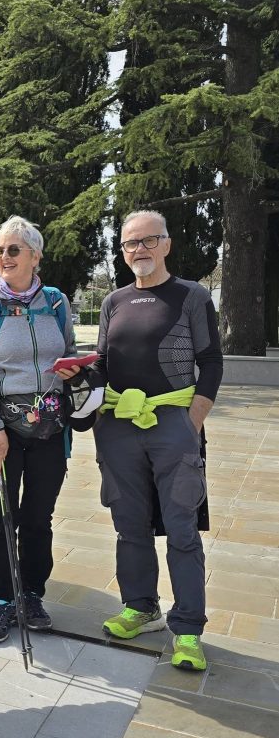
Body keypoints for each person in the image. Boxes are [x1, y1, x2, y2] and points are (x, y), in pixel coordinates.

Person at [93, 210, 222, 672]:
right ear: (123, 251)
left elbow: (211, 360)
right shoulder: (113, 302)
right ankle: (140, 607)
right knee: (129, 524)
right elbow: (104, 362)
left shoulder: (191, 296)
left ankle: (187, 629)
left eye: (149, 240)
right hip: (119, 427)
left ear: (167, 244)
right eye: (130, 243)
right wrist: (82, 378)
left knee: (182, 529)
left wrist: (192, 420)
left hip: (172, 423)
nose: (139, 249)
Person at [0, 216, 77, 643]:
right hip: (2, 430)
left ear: (35, 255)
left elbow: (68, 352)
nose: (4, 257)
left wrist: (73, 372)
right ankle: (0, 601)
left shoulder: (56, 302)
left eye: (13, 250)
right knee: (0, 518)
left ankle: (31, 594)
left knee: (37, 518)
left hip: (49, 427)